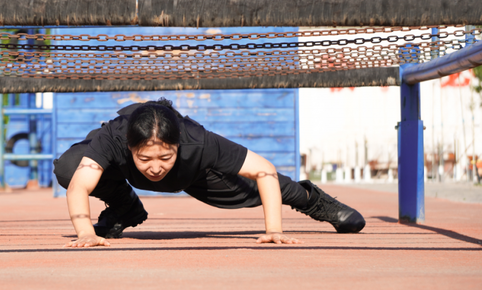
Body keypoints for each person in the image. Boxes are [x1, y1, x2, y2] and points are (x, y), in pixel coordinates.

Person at [54, 98, 365, 248]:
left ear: (178, 144)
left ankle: (312, 199)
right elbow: (79, 185)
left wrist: (274, 230)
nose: (155, 166)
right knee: (69, 167)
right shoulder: (111, 138)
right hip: (123, 174)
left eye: (165, 156)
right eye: (145, 157)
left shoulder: (199, 142)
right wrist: (85, 233)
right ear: (130, 147)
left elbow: (264, 171)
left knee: (254, 191)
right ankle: (125, 207)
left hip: (196, 176)